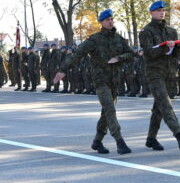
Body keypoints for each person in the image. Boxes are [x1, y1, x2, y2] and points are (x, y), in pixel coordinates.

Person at [54, 9, 134, 155]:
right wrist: (63, 69)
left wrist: (119, 58)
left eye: (112, 19)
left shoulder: (119, 39)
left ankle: (97, 141)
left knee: (106, 113)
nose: (110, 21)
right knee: (110, 109)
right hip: (100, 81)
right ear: (101, 22)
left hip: (114, 81)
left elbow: (131, 54)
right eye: (107, 19)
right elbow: (77, 54)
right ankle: (119, 141)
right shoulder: (94, 40)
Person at [139, 0, 180, 151]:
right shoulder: (146, 32)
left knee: (158, 108)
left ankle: (151, 139)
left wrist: (178, 47)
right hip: (154, 73)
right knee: (166, 104)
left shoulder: (171, 31)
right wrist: (164, 47)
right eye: (158, 10)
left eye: (163, 10)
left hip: (169, 73)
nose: (161, 12)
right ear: (151, 13)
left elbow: (175, 56)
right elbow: (149, 53)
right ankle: (179, 135)